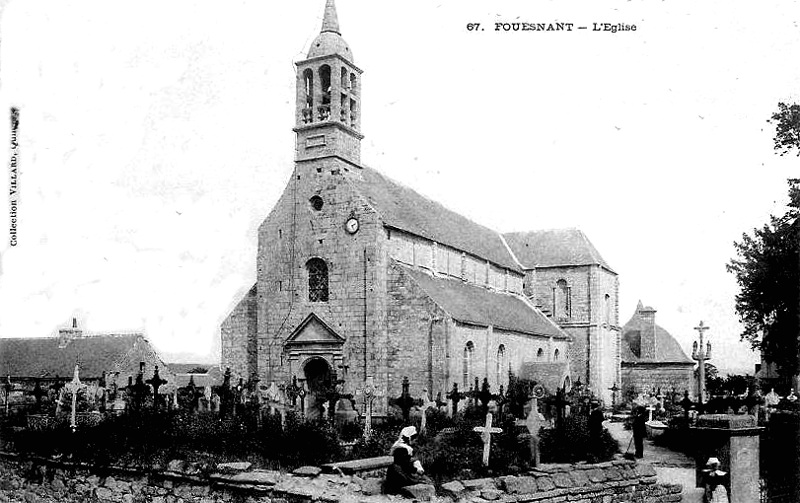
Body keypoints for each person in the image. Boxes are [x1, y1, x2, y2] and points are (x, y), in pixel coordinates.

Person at [384, 426, 427, 494]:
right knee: (421, 480)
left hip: (399, 471)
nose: (415, 442)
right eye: (414, 440)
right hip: (398, 474)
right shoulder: (402, 449)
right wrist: (416, 470)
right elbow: (405, 465)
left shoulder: (401, 447)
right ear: (409, 438)